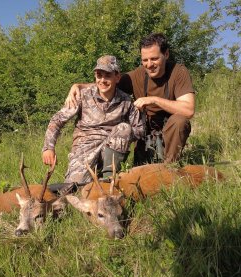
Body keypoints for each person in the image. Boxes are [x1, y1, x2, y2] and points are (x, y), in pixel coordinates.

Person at [66, 33, 195, 165]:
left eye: (154, 59)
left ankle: (170, 168)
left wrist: (154, 100)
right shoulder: (137, 75)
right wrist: (78, 86)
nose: (149, 65)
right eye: (145, 60)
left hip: (170, 132)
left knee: (179, 121)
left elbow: (188, 110)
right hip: (145, 135)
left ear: (166, 54)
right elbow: (107, 83)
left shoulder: (179, 72)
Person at [42, 55, 143, 184]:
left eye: (107, 75)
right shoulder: (82, 95)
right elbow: (57, 120)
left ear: (117, 77)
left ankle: (108, 178)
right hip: (85, 148)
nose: (102, 80)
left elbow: (139, 129)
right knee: (75, 187)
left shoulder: (126, 101)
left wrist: (123, 136)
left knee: (124, 128)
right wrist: (48, 148)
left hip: (111, 149)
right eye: (99, 75)